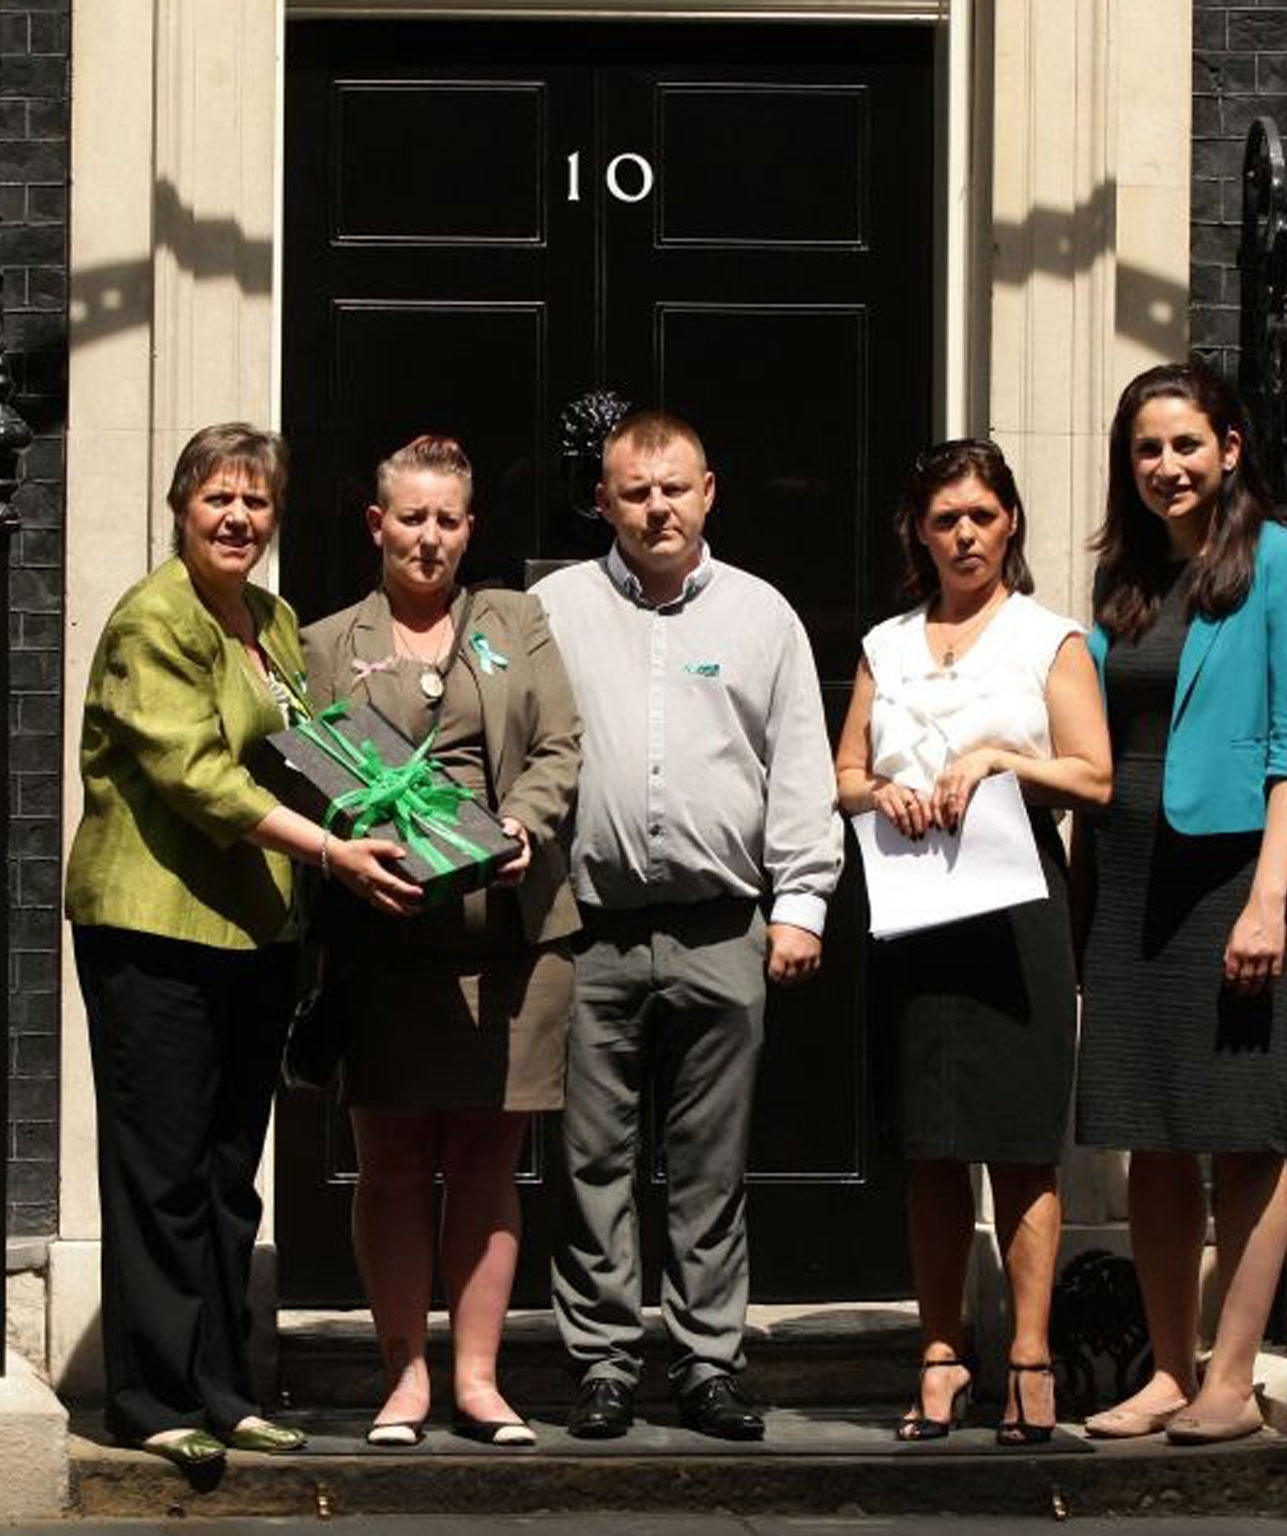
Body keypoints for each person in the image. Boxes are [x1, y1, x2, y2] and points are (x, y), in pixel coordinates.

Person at [65, 423, 417, 1470]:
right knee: (160, 1169)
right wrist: (331, 854)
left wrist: (436, 823)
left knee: (227, 1172)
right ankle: (150, 1397)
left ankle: (225, 1389)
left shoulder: (271, 619)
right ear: (181, 507)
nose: (236, 518)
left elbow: (320, 748)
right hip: (153, 928)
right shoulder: (151, 619)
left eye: (255, 502)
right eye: (217, 498)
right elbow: (197, 776)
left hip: (253, 931)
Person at [534, 408, 844, 1443]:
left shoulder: (761, 617)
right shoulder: (552, 610)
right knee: (591, 1160)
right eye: (634, 490)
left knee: (710, 1160)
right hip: (592, 926)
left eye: (674, 487)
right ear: (603, 500)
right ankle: (603, 1363)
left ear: (708, 491)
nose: (656, 506)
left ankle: (708, 1360)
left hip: (724, 927)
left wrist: (800, 904)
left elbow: (800, 765)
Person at [300, 434, 581, 1448]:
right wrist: (357, 847)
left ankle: (477, 1379)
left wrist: (523, 826)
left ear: (470, 529)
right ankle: (403, 1378)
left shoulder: (513, 619)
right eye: (409, 519)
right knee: (389, 1158)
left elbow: (558, 746)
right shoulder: (324, 639)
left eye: (446, 520)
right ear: (377, 525)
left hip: (511, 936)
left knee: (484, 1159)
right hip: (387, 940)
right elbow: (313, 767)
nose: (428, 538)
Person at [1072, 361, 1287, 1444]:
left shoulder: (1286, 567)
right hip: (1125, 878)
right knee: (1152, 1136)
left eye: (1184, 444)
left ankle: (1231, 1377)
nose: (1164, 466)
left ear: (1229, 447)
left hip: (1228, 877)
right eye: (1145, 449)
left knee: (1240, 1135)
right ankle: (1166, 1372)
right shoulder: (1122, 585)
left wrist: (1267, 899)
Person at [833, 438, 1112, 1445]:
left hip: (1012, 900)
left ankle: (1028, 1360)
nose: (963, 535)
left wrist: (998, 758)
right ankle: (940, 1355)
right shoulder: (886, 644)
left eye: (980, 517)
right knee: (929, 1146)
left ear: (1009, 525)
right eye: (944, 518)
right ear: (918, 530)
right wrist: (886, 790)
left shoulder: (1049, 640)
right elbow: (842, 773)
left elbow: (1093, 777)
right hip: (912, 900)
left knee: (1018, 1143)